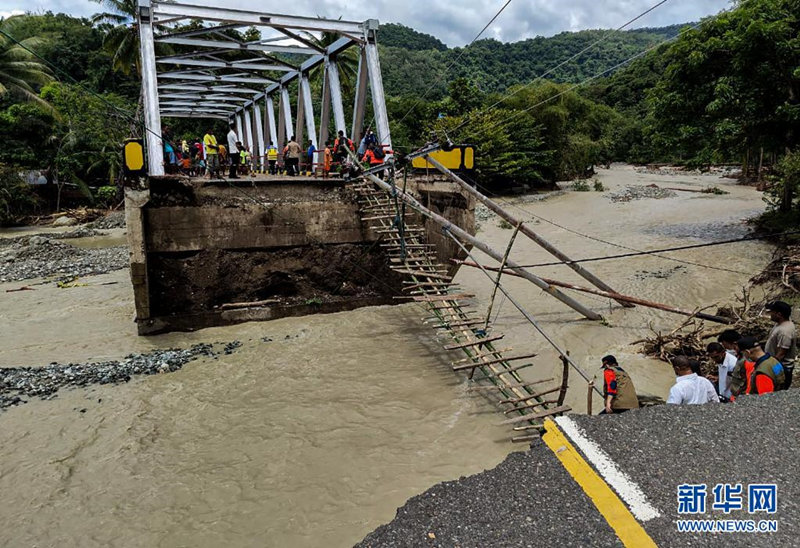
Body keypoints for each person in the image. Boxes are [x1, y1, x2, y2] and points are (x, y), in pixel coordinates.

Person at [764, 300, 797, 383]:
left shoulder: (785, 331)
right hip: (777, 364)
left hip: (781, 367)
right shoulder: (781, 323)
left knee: (777, 391)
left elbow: (781, 354)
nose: (770, 314)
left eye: (772, 312)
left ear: (779, 314)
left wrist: (769, 368)